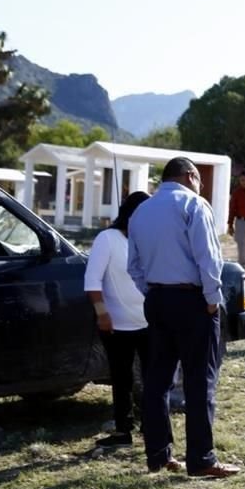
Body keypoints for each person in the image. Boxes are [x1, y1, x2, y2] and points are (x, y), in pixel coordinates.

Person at [128, 157, 239, 478]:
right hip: (192, 300)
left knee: (157, 380)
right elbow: (208, 257)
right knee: (199, 380)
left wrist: (151, 292)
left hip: (158, 299)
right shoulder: (193, 205)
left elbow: (133, 265)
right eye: (199, 180)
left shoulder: (140, 211)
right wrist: (212, 300)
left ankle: (159, 455)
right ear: (190, 176)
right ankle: (202, 459)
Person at [84, 191, 152, 447]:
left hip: (148, 322)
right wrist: (102, 313)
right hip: (115, 324)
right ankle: (123, 431)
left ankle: (151, 426)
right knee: (121, 379)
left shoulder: (148, 238)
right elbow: (92, 281)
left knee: (152, 377)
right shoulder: (107, 239)